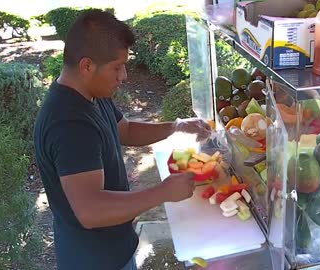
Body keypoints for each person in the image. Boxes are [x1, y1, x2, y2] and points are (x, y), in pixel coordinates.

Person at [33, 10, 212, 270]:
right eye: (117, 67)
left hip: (114, 248)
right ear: (86, 66)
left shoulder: (92, 93)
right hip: (93, 260)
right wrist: (162, 192)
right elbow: (91, 210)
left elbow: (124, 131)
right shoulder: (69, 123)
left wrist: (177, 126)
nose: (124, 76)